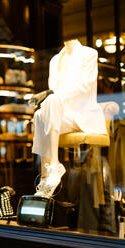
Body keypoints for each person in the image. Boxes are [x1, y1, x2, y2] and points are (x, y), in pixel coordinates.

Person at [32, 39, 107, 198]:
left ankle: (53, 165)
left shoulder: (89, 54)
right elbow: (53, 89)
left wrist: (51, 96)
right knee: (39, 114)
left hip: (82, 114)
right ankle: (46, 176)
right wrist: (51, 98)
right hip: (60, 113)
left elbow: (84, 87)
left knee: (50, 102)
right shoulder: (55, 60)